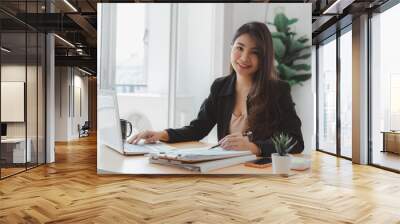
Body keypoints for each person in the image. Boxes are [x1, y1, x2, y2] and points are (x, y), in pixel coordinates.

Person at [127, 21, 304, 157]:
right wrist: (160, 134)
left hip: (260, 172)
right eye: (239, 48)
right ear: (232, 48)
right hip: (226, 167)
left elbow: (296, 141)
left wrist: (254, 147)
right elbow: (198, 129)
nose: (244, 58)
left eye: (254, 52)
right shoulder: (220, 87)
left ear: (264, 57)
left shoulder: (278, 90)